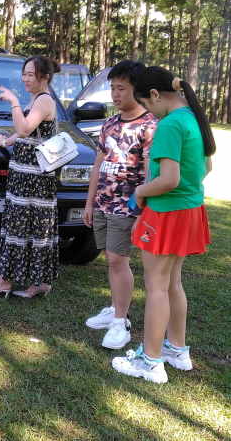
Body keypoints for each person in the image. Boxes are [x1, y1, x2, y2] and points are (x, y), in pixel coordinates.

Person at [111, 67, 214, 384]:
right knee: (172, 283)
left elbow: (169, 179)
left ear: (155, 95)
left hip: (167, 212)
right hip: (188, 209)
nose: (149, 112)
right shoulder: (192, 118)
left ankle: (151, 361)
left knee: (156, 285)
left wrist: (140, 192)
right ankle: (176, 349)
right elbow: (206, 166)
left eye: (147, 104)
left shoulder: (169, 124)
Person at [83, 60, 158, 350]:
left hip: (128, 206)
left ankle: (120, 322)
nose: (115, 94)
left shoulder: (150, 125)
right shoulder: (110, 123)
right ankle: (116, 308)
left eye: (121, 88)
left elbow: (151, 172)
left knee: (117, 260)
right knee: (111, 258)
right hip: (103, 202)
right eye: (112, 88)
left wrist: (143, 209)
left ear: (136, 89)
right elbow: (97, 166)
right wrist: (89, 203)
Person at [0, 55, 61, 299]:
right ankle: (39, 282)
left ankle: (3, 281)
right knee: (29, 226)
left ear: (45, 78)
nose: (25, 78)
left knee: (21, 226)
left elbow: (24, 128)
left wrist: (12, 101)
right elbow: (25, 133)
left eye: (30, 74)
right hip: (25, 174)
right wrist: (6, 141)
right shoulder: (37, 99)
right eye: (24, 73)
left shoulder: (44, 100)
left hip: (33, 177)